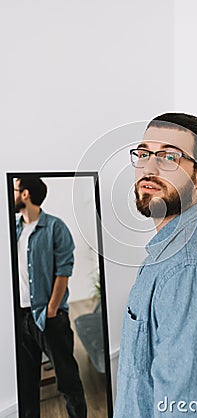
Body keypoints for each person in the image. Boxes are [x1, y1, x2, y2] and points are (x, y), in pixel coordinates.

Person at [113, 113, 197, 417]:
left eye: (169, 157)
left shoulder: (189, 271)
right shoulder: (169, 252)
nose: (149, 167)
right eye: (144, 154)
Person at [14, 176, 87, 418]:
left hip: (49, 317)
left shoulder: (56, 227)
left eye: (14, 188)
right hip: (20, 317)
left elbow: (63, 271)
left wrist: (52, 310)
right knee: (26, 387)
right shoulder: (12, 229)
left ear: (25, 194)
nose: (11, 194)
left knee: (68, 381)